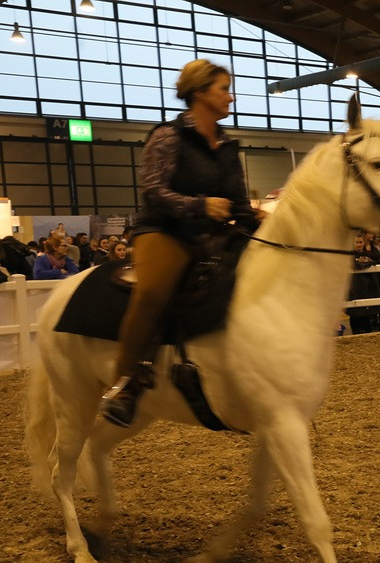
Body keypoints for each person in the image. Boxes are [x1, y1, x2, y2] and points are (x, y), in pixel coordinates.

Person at [100, 59, 261, 427]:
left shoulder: (226, 145)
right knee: (153, 292)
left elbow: (238, 204)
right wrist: (199, 205)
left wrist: (262, 219)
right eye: (224, 89)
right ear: (200, 92)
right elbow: (154, 192)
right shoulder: (168, 136)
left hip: (212, 235)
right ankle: (125, 387)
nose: (230, 97)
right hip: (165, 230)